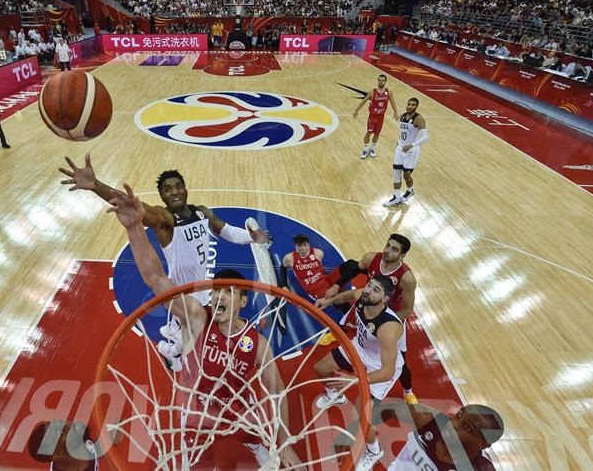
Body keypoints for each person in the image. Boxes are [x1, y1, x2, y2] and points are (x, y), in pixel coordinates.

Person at [106, 183, 300, 468]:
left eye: (229, 292)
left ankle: (254, 441)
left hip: (237, 408)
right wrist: (134, 229)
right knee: (196, 462)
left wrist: (285, 442)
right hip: (197, 413)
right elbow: (156, 278)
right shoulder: (197, 318)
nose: (220, 296)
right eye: (217, 291)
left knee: (252, 429)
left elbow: (277, 391)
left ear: (243, 302)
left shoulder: (257, 344)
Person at [58, 157, 268, 368]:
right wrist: (96, 185)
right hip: (179, 292)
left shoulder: (202, 212)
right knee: (195, 336)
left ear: (185, 189)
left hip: (202, 288)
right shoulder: (164, 219)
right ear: (162, 196)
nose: (174, 192)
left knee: (198, 332)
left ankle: (172, 337)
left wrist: (251, 237)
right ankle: (169, 350)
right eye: (167, 190)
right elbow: (137, 207)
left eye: (178, 186)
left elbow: (225, 230)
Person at [312, 276, 404, 471]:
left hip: (380, 367)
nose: (368, 291)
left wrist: (354, 379)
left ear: (385, 299)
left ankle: (374, 450)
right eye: (369, 285)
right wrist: (329, 301)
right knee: (320, 369)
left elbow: (387, 372)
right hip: (360, 349)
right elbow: (348, 295)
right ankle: (335, 396)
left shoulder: (388, 328)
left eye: (376, 290)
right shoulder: (364, 296)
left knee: (360, 417)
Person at [322, 234, 419, 404]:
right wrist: (337, 285)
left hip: (389, 319)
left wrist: (385, 323)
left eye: (394, 249)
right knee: (349, 325)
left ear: (402, 256)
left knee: (400, 361)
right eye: (388, 245)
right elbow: (354, 268)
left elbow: (408, 309)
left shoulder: (407, 278)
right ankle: (337, 338)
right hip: (367, 306)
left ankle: (407, 389)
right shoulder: (371, 258)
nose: (387, 250)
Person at [381, 401, 504, 470]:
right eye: (458, 415)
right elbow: (385, 410)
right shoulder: (427, 420)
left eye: (467, 427)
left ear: (482, 444)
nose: (454, 423)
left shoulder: (480, 467)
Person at [384, 98, 428, 206]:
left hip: (412, 150)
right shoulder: (402, 116)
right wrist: (399, 143)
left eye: (413, 105)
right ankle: (396, 197)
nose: (410, 106)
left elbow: (425, 138)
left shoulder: (418, 119)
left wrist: (411, 145)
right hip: (400, 148)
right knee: (396, 172)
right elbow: (403, 133)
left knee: (406, 175)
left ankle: (410, 190)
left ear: (416, 106)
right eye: (409, 104)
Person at [352, 74, 398, 159]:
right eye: (379, 80)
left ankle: (372, 148)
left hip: (381, 117)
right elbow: (364, 101)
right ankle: (365, 149)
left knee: (377, 134)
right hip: (373, 116)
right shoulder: (372, 92)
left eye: (383, 80)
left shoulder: (388, 92)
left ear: (385, 81)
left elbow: (392, 102)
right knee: (368, 132)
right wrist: (356, 110)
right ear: (377, 81)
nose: (381, 82)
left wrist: (395, 112)